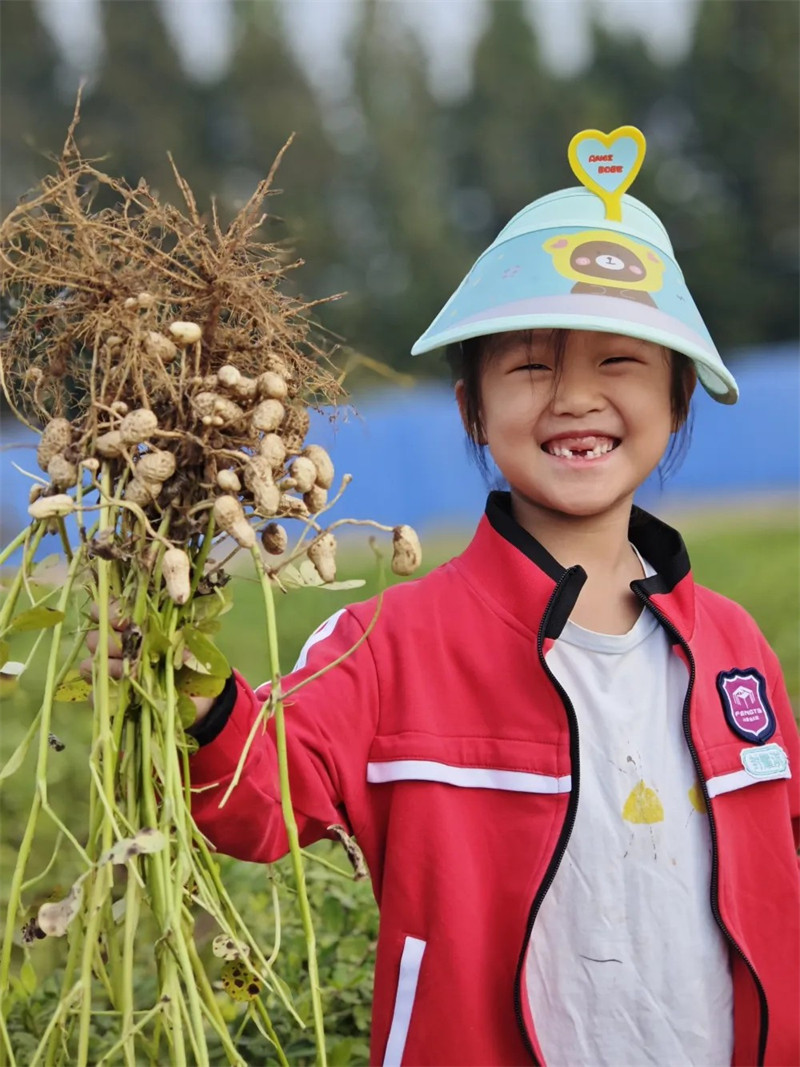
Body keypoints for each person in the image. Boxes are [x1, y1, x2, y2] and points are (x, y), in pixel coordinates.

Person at [85, 127, 800, 1067]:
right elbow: (257, 798)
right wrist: (184, 681)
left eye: (620, 362)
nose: (575, 398)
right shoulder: (387, 643)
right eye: (533, 365)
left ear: (676, 403)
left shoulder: (734, 644)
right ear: (470, 407)